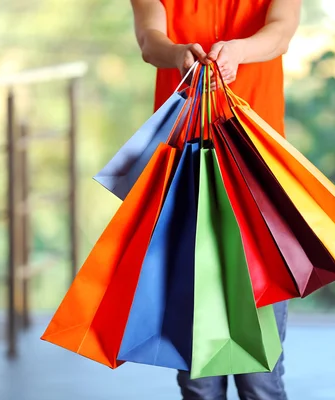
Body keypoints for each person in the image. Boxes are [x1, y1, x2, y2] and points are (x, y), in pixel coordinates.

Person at [130, 0, 301, 399]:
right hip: (184, 170)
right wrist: (177, 54)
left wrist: (240, 51)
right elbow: (148, 40)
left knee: (259, 371)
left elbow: (281, 31)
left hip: (256, 171)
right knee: (197, 371)